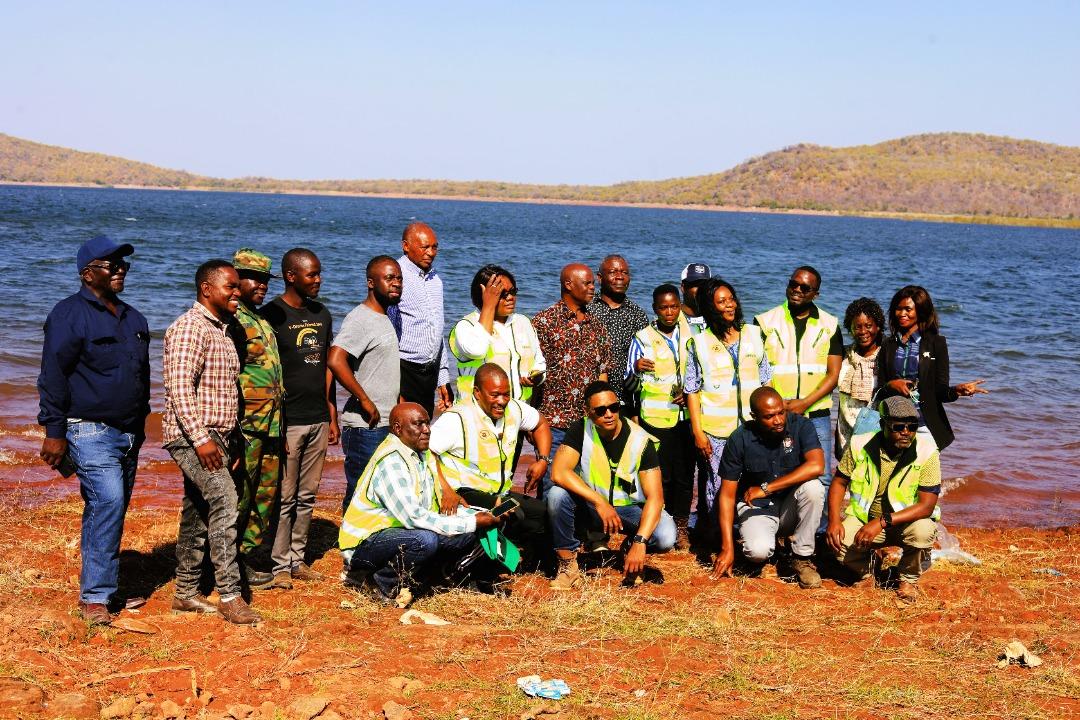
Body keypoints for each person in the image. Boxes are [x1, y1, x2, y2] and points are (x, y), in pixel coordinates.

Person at [37, 235, 150, 625]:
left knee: (110, 507)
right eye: (111, 265)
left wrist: (141, 426)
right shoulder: (68, 315)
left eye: (123, 265)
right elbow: (53, 376)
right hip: (89, 429)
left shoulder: (134, 318)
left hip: (129, 432)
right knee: (109, 502)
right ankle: (96, 598)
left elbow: (141, 376)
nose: (120, 270)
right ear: (87, 274)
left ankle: (103, 586)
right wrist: (54, 432)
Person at [163, 260, 260, 624]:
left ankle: (185, 593)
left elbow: (224, 392)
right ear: (206, 289)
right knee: (225, 500)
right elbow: (180, 389)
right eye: (230, 286)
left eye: (237, 286)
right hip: (193, 435)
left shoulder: (224, 329)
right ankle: (230, 596)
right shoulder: (190, 327)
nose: (238, 292)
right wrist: (202, 440)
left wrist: (229, 440)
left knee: (198, 511)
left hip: (218, 435)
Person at [338, 403, 502, 606]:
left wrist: (477, 516)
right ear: (398, 428)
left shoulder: (420, 453)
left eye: (427, 423)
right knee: (425, 540)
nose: (427, 429)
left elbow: (431, 508)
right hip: (364, 543)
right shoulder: (392, 461)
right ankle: (374, 581)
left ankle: (440, 577)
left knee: (467, 533)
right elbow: (414, 517)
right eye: (418, 424)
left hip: (399, 533)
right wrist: (472, 522)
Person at [547, 381, 677, 589]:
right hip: (592, 507)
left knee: (666, 536)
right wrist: (599, 502)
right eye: (600, 410)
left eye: (613, 407)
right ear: (588, 412)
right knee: (556, 495)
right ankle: (568, 566)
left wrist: (640, 541)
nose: (608, 414)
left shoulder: (641, 440)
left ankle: (630, 550)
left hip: (629, 511)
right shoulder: (580, 429)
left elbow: (656, 498)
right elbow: (558, 472)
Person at [261, 248, 337, 588]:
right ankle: (278, 564)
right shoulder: (271, 315)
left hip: (317, 417)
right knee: (284, 495)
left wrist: (331, 412)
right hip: (287, 421)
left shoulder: (322, 314)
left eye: (319, 273)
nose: (318, 280)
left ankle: (297, 559)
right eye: (311, 274)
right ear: (291, 276)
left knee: (307, 495)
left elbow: (326, 367)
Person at [431, 363, 553, 566]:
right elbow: (426, 452)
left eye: (506, 394)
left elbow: (541, 423)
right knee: (513, 513)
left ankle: (524, 561)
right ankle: (464, 566)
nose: (502, 401)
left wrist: (542, 460)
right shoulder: (457, 418)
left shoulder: (514, 409)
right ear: (477, 393)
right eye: (495, 395)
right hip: (463, 494)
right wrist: (446, 490)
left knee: (543, 514)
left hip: (498, 493)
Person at [826, 396, 941, 602]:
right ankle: (870, 571)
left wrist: (881, 522)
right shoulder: (859, 443)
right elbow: (839, 482)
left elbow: (926, 506)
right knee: (838, 542)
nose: (906, 432)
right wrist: (834, 520)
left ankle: (907, 579)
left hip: (906, 522)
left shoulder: (927, 452)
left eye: (912, 427)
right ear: (882, 425)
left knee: (924, 531)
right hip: (866, 520)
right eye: (898, 427)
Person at [754, 266, 842, 531]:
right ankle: (773, 528)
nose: (797, 290)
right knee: (773, 471)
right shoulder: (765, 321)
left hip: (816, 414)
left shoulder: (830, 325)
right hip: (775, 414)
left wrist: (805, 403)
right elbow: (758, 368)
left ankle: (815, 535)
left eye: (805, 287)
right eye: (794, 284)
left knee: (821, 475)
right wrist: (778, 406)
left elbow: (833, 374)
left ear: (816, 293)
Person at [685, 279, 771, 547]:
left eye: (731, 298)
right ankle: (719, 540)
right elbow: (692, 390)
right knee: (717, 486)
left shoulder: (754, 334)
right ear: (710, 307)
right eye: (721, 302)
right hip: (716, 432)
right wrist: (698, 432)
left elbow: (766, 381)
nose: (729, 305)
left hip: (753, 429)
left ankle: (750, 534)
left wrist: (770, 422)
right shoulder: (698, 343)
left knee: (753, 481)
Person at [712, 387, 825, 589]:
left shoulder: (801, 425)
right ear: (754, 416)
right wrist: (727, 547)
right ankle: (766, 542)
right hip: (758, 507)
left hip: (790, 506)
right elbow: (727, 496)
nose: (778, 420)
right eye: (769, 416)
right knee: (758, 552)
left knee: (814, 488)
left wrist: (766, 488)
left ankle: (801, 557)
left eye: (781, 412)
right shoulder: (739, 438)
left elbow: (816, 465)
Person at [328, 256, 403, 516]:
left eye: (399, 278)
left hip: (385, 421)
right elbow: (335, 359)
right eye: (389, 278)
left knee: (379, 491)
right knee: (361, 492)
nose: (396, 283)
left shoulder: (384, 316)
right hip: (365, 426)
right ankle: (350, 538)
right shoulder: (361, 318)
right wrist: (364, 399)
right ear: (371, 283)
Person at [532, 263, 612, 496]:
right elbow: (533, 373)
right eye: (587, 283)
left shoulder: (597, 326)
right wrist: (532, 420)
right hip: (552, 424)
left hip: (587, 425)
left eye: (593, 284)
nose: (592, 288)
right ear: (568, 284)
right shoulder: (544, 322)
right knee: (551, 489)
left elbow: (602, 375)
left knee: (586, 487)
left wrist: (602, 415)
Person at [625, 284, 695, 549]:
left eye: (674, 306)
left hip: (687, 418)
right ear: (655, 309)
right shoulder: (642, 338)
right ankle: (660, 521)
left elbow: (702, 373)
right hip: (655, 420)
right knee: (660, 475)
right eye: (663, 307)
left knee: (685, 475)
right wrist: (635, 369)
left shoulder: (692, 334)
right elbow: (629, 386)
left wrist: (689, 395)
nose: (669, 312)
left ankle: (682, 526)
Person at [228, 249, 283, 585]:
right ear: (236, 280)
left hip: (271, 424)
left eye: (265, 280)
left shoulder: (260, 319)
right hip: (247, 426)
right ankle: (224, 563)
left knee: (264, 496)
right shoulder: (232, 319)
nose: (262, 285)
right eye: (255, 279)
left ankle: (245, 558)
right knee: (239, 496)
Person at [877, 286, 987, 452]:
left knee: (927, 469)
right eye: (898, 309)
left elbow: (940, 391)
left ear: (921, 311)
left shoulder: (936, 343)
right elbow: (879, 390)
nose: (901, 313)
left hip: (924, 425)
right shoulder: (888, 345)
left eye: (908, 309)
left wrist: (956, 391)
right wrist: (891, 385)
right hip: (894, 427)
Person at [449, 264, 546, 403]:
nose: (510, 297)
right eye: (502, 294)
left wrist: (536, 376)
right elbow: (477, 350)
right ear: (484, 295)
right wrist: (488, 306)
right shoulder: (466, 326)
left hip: (518, 411)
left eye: (513, 291)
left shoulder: (523, 323)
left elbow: (539, 362)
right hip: (476, 411)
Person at [388, 222, 453, 416]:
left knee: (423, 425)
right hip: (403, 369)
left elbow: (437, 330)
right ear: (406, 246)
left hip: (429, 372)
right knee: (402, 426)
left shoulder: (435, 280)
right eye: (425, 247)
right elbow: (385, 328)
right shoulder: (395, 276)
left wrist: (443, 378)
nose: (431, 253)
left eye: (434, 247)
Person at [586, 255, 649, 408]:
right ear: (600, 278)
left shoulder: (637, 314)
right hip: (589, 396)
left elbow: (645, 357)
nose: (620, 277)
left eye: (624, 272)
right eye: (613, 272)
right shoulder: (587, 309)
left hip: (625, 399)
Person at [836, 297, 885, 458]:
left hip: (875, 438)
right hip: (845, 437)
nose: (863, 332)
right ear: (850, 328)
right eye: (857, 327)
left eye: (868, 326)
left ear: (878, 326)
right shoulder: (843, 355)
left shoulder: (886, 357)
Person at [679, 263, 712, 335]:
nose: (701, 289)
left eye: (704, 285)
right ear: (683, 288)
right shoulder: (671, 317)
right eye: (696, 285)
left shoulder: (716, 318)